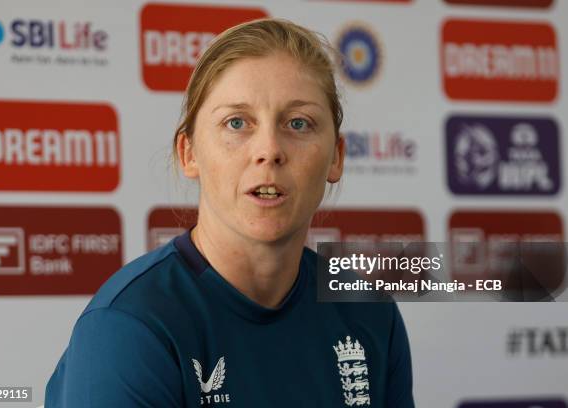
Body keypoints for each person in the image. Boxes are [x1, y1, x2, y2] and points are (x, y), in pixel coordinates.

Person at [44, 18, 414, 407]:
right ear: (190, 153)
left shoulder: (369, 313)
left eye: (298, 123)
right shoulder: (129, 327)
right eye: (237, 123)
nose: (269, 149)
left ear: (336, 158)